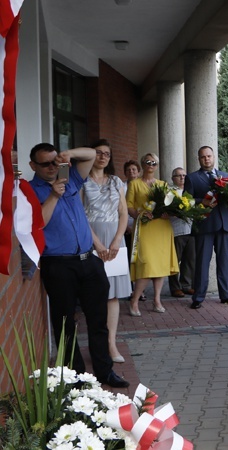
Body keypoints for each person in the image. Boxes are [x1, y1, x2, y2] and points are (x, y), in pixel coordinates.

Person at [29, 143, 129, 388]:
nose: (53, 167)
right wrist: (54, 194)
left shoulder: (71, 177)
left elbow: (91, 154)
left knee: (98, 322)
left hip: (88, 261)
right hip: (59, 266)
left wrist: (69, 155)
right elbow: (38, 224)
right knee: (65, 324)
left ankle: (105, 372)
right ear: (33, 166)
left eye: (55, 161)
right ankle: (77, 378)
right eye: (46, 163)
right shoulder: (30, 190)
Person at [82, 139, 132, 363]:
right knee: (95, 295)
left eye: (107, 154)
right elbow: (81, 216)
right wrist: (97, 244)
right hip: (92, 240)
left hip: (115, 241)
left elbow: (123, 213)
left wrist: (117, 240)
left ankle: (111, 344)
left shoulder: (117, 182)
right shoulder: (82, 181)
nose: (103, 157)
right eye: (98, 153)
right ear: (91, 155)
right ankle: (97, 345)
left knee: (113, 296)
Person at [184, 146, 228, 309]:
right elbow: (186, 201)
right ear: (199, 159)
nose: (206, 159)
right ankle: (198, 297)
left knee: (224, 261)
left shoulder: (226, 176)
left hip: (225, 224)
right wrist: (200, 201)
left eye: (209, 156)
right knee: (202, 262)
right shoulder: (192, 178)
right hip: (205, 225)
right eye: (203, 157)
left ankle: (227, 295)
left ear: (214, 157)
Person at [126, 153, 178, 316]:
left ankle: (157, 300)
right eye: (148, 162)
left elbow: (170, 205)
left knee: (160, 265)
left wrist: (168, 213)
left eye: (154, 162)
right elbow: (128, 205)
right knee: (147, 263)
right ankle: (134, 301)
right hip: (144, 228)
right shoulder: (134, 184)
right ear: (143, 164)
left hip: (161, 228)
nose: (151, 164)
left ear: (157, 165)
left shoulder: (162, 184)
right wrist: (140, 214)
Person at [168, 167, 196, 297]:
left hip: (191, 230)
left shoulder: (190, 191)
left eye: (184, 175)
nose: (182, 178)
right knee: (174, 261)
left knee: (189, 260)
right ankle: (175, 288)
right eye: (178, 176)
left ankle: (186, 285)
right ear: (173, 178)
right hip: (176, 231)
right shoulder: (170, 192)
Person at [123, 160, 145, 302]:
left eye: (134, 170)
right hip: (126, 229)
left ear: (138, 171)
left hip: (142, 228)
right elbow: (118, 209)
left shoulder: (143, 186)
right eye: (128, 170)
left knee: (139, 259)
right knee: (127, 260)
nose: (131, 172)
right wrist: (126, 227)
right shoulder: (121, 187)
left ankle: (140, 291)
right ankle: (129, 290)